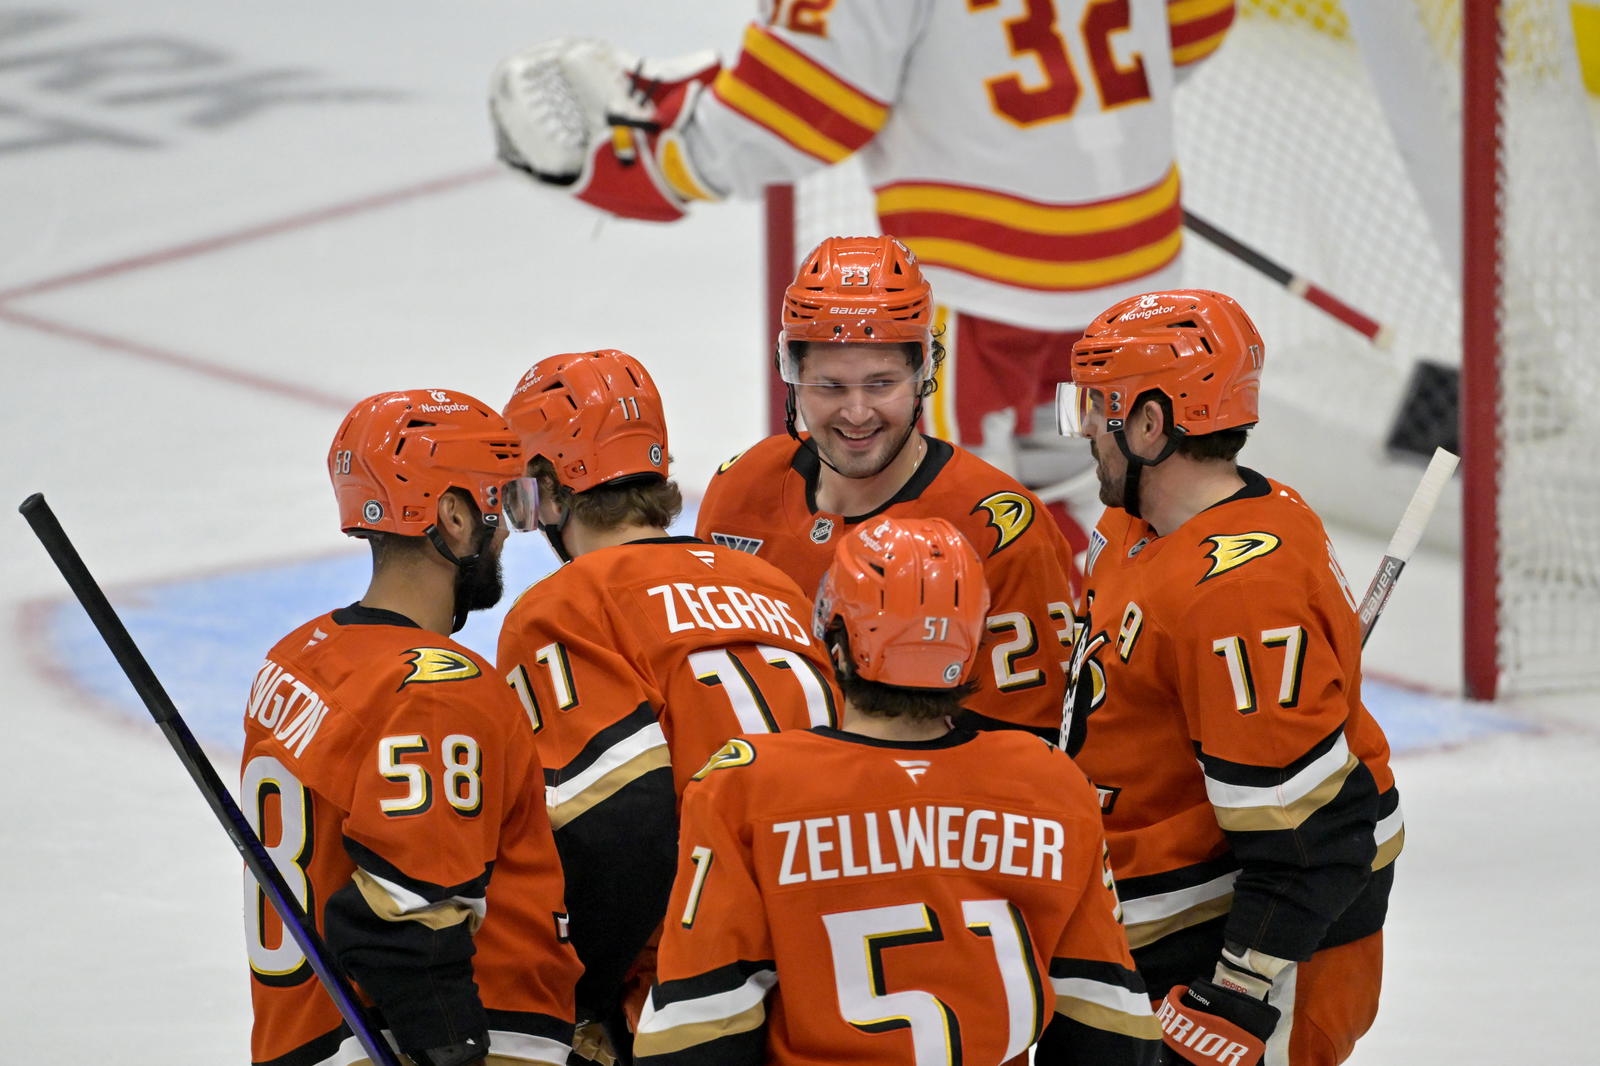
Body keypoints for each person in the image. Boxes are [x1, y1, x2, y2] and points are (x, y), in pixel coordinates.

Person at [486, 0, 1236, 547]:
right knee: (1110, 495)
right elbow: (1198, 24)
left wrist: (651, 164)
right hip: (1139, 266)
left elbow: (795, 105)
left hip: (982, 285)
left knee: (945, 520)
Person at [633, 516, 1162, 1066]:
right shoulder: (1051, 782)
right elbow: (1107, 1023)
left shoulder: (745, 786)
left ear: (838, 645)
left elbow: (701, 1028)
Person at [1057, 290, 1402, 1066]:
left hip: (1247, 944)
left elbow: (1315, 836)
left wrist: (1238, 993)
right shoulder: (1134, 527)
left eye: (1097, 407)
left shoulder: (1241, 595)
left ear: (1150, 424)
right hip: (1150, 915)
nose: (1083, 429)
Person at [495, 350, 841, 1060]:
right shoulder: (770, 583)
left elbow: (617, 826)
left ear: (550, 490)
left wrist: (586, 995)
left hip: (696, 985)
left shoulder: (564, 607)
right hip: (832, 949)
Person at [242, 389, 581, 1066]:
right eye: (503, 504)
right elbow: (403, 923)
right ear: (453, 515)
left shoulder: (296, 658)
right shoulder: (438, 691)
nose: (507, 532)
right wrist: (451, 1047)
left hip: (304, 1039)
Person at [690, 235, 1076, 739]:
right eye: (830, 386)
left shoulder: (998, 529)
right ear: (794, 376)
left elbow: (1025, 743)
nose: (856, 413)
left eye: (880, 384)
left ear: (922, 375)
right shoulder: (741, 485)